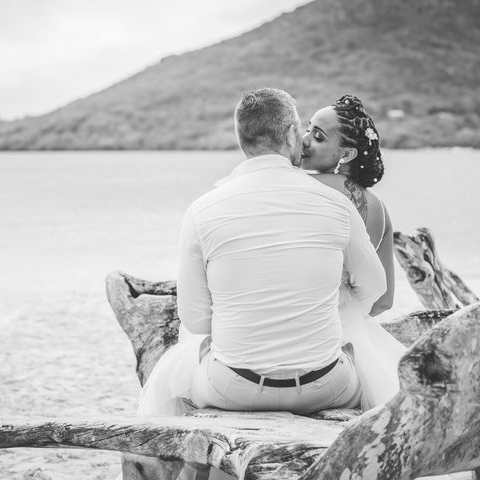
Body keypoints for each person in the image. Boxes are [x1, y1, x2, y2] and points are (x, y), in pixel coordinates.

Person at [137, 88, 386, 480]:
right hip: (325, 383)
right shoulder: (337, 205)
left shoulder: (202, 210)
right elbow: (373, 288)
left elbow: (195, 319)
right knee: (364, 373)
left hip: (233, 387)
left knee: (182, 377)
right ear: (290, 134)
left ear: (241, 139)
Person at [300, 94, 405, 409]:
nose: (304, 140)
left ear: (346, 153)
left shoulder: (301, 188)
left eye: (318, 137)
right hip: (353, 341)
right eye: (308, 129)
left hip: (298, 337)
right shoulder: (379, 208)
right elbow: (383, 300)